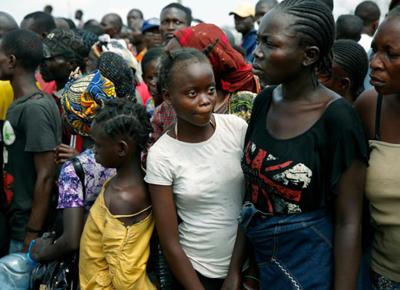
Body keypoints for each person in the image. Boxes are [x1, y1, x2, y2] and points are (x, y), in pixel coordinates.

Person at [223, 1, 368, 289]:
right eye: (259, 39)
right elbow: (251, 197)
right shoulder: (264, 101)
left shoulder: (337, 118)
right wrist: (234, 270)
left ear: (309, 55)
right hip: (263, 259)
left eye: (269, 43)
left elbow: (348, 221)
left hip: (312, 264)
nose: (257, 52)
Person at [145, 48, 248, 290]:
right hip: (195, 272)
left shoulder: (237, 129)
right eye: (192, 93)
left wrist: (235, 273)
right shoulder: (161, 155)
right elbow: (170, 242)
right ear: (168, 97)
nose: (205, 100)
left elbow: (250, 207)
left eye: (210, 90)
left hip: (245, 267)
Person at [29, 70, 116, 263]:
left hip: (87, 262)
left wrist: (40, 253)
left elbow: (71, 241)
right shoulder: (126, 152)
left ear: (74, 118)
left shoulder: (74, 169)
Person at [79, 98, 155, 290]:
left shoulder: (124, 198)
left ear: (121, 148)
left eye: (98, 145)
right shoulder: (122, 183)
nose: (93, 150)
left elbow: (126, 278)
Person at [0, 29, 61, 253]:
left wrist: (31, 235)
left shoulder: (35, 108)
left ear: (12, 61)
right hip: (13, 220)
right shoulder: (20, 104)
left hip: (25, 229)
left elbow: (46, 175)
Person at [151, 23, 259, 144]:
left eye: (179, 60)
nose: (166, 67)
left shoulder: (247, 104)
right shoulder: (164, 110)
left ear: (208, 62)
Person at [354, 7, 400, 289]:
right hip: (383, 276)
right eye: (375, 51)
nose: (375, 63)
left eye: (391, 54)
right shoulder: (370, 108)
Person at [40, 28, 87, 99]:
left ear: (71, 64)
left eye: (50, 59)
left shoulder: (82, 98)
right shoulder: (51, 90)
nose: (42, 63)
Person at [141, 47, 165, 116]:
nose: (153, 83)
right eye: (149, 78)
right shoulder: (148, 107)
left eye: (158, 76)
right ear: (144, 79)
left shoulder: (177, 107)